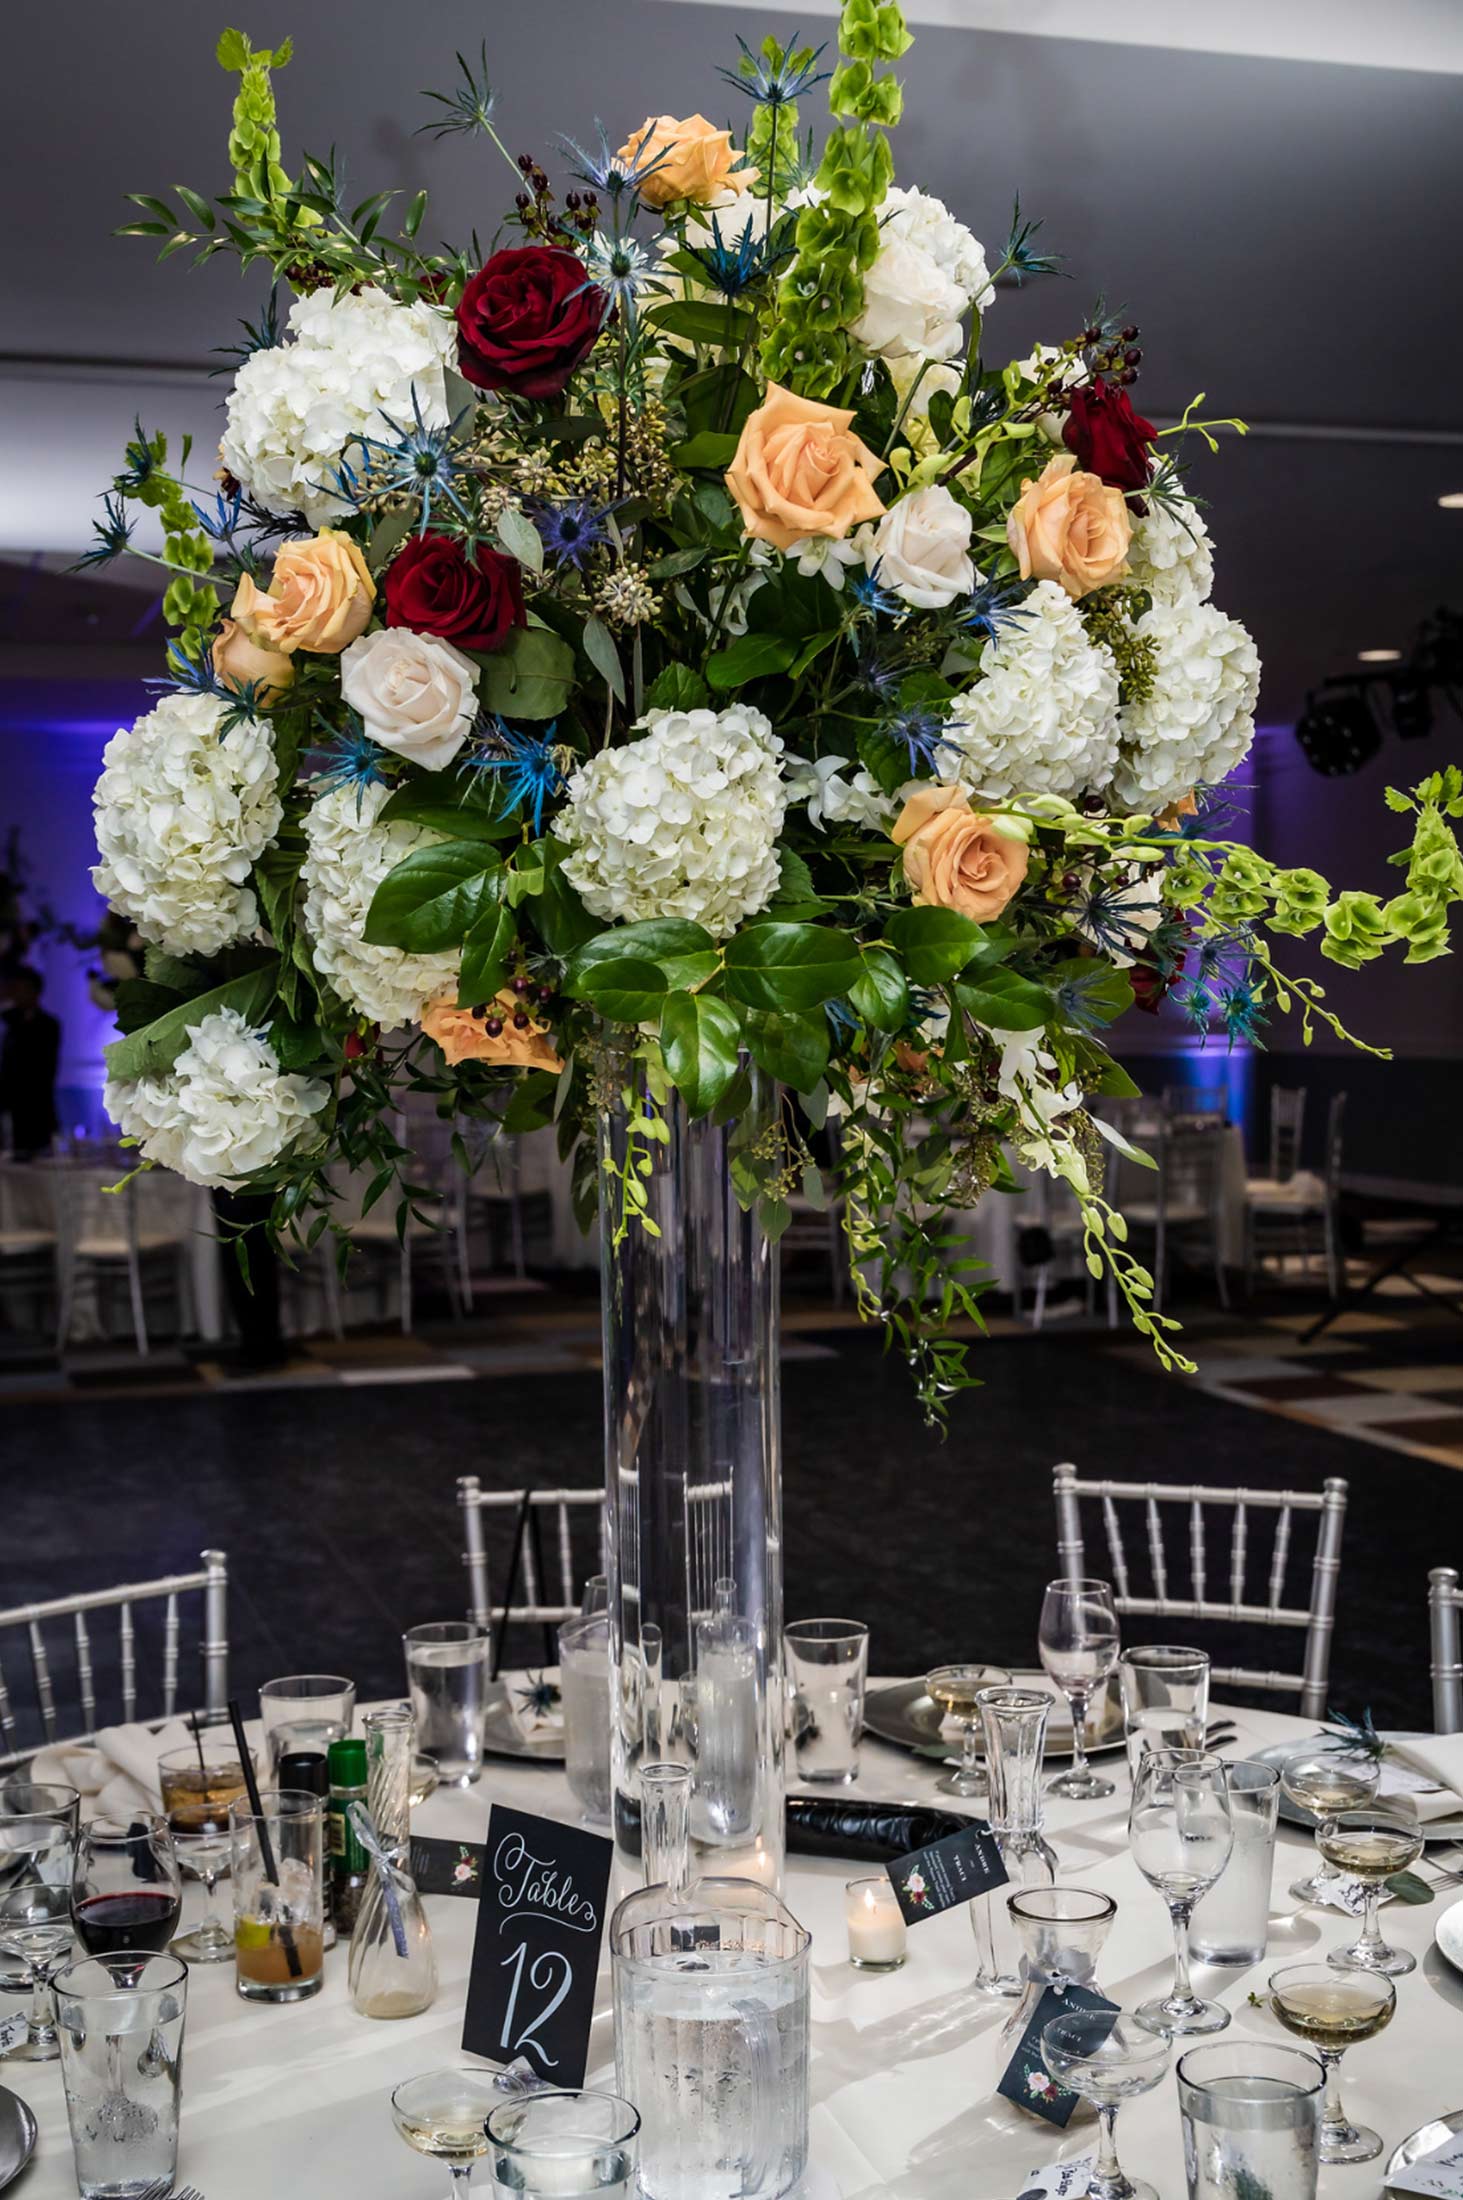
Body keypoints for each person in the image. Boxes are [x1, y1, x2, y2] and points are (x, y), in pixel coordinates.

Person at [0, 966, 61, 1157]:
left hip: (37, 1105)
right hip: (8, 1105)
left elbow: (44, 1068)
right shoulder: (6, 1020)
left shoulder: (48, 1024)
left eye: (22, 988)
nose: (17, 994)